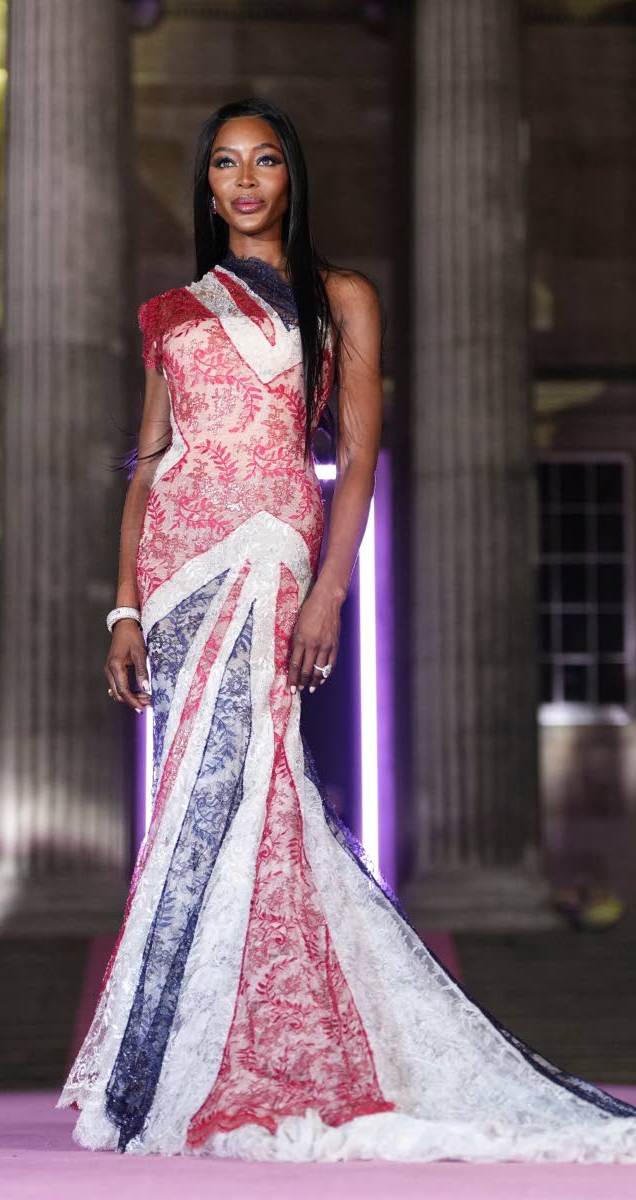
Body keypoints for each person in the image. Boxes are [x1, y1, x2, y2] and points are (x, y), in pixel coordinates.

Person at [58, 98, 636, 1162]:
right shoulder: (171, 314)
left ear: (289, 177)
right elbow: (147, 465)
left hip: (268, 558)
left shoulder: (340, 299)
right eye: (224, 163)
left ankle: (199, 1065)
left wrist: (330, 589)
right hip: (175, 569)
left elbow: (358, 457)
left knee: (241, 787)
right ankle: (166, 1065)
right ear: (207, 183)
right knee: (193, 801)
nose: (243, 180)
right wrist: (124, 606)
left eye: (264, 160)